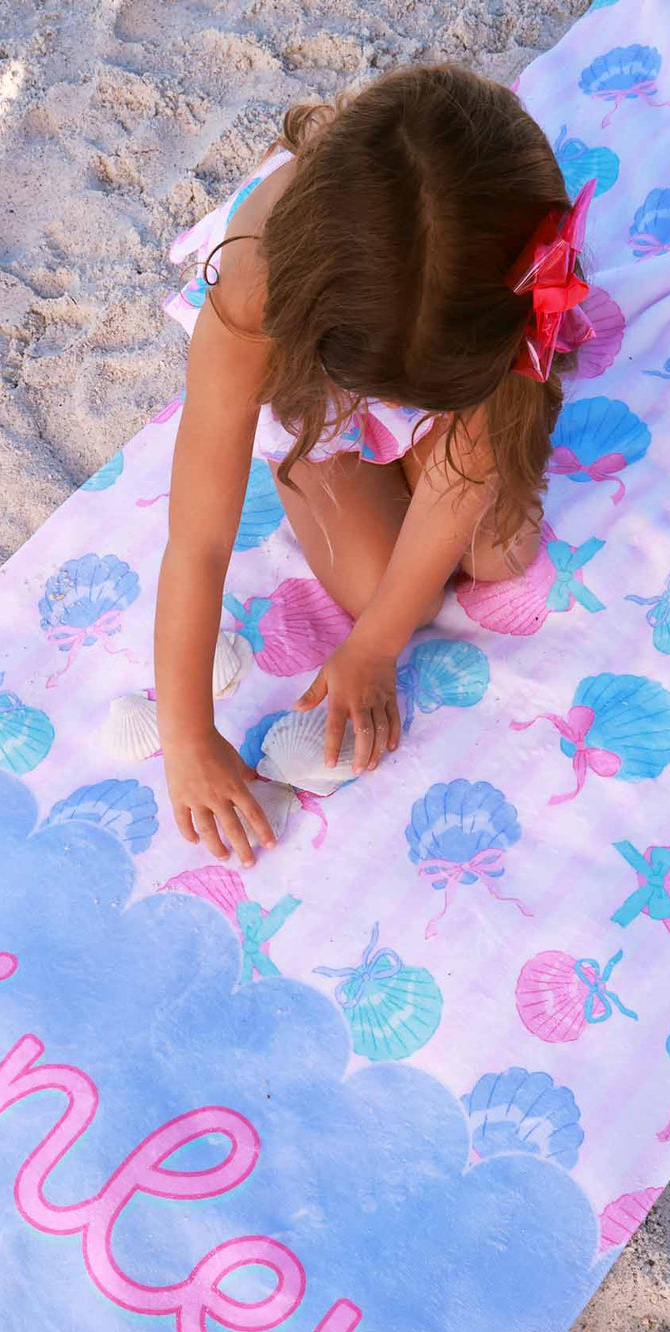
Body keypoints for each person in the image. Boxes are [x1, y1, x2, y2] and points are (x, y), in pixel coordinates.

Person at [154, 62, 593, 867]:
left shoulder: (489, 279)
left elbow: (471, 464)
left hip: (428, 352)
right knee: (380, 589)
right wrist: (185, 735)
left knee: (501, 551)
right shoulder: (254, 291)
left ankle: (417, 417)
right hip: (323, 392)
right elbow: (199, 539)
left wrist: (376, 647)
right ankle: (317, 462)